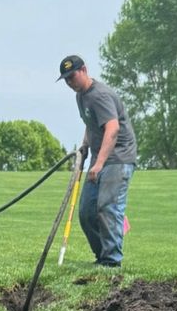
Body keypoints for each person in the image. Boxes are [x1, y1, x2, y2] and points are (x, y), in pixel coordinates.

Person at [57, 55, 137, 268]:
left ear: (84, 70)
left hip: (118, 158)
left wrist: (99, 163)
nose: (69, 82)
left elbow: (112, 129)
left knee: (107, 207)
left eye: (72, 76)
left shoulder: (99, 95)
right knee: (86, 212)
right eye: (65, 79)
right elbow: (91, 124)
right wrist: (84, 148)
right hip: (99, 157)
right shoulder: (81, 96)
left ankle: (111, 262)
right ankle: (102, 255)